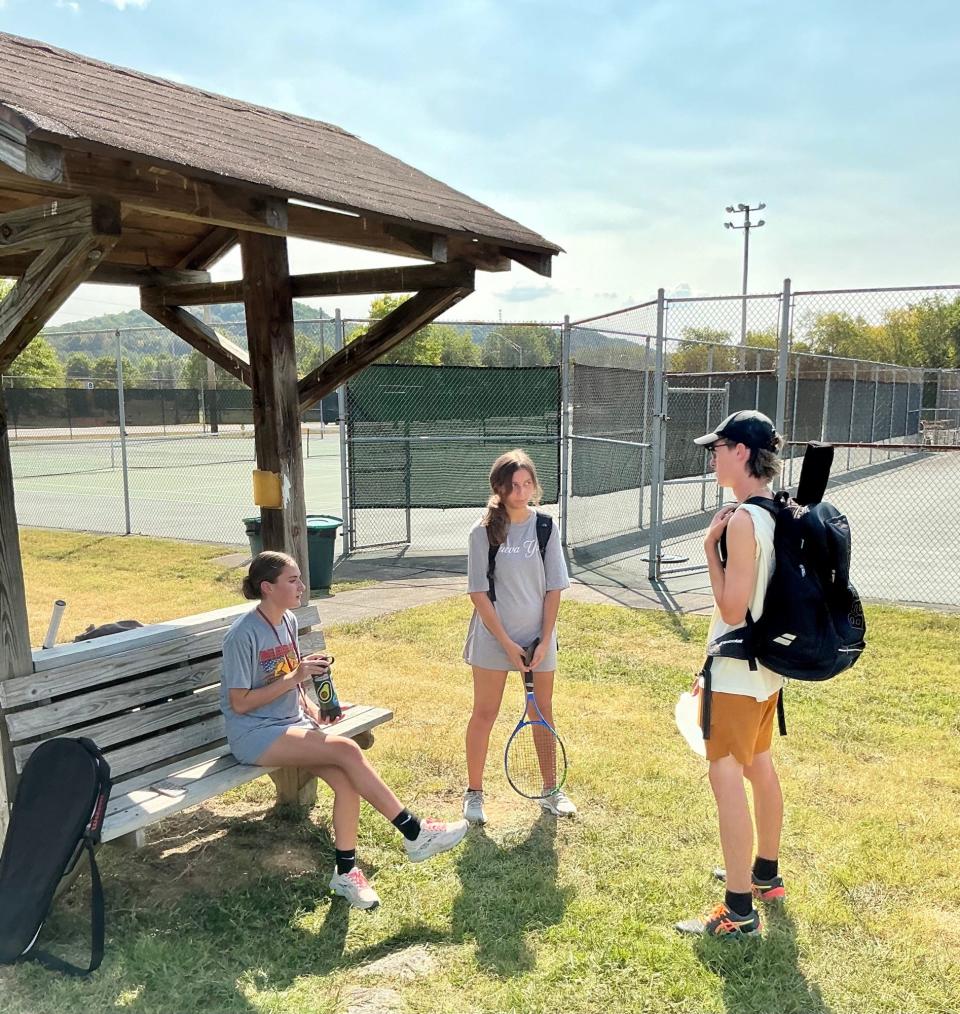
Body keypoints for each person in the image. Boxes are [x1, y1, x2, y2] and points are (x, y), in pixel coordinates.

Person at [221, 551, 468, 910]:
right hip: (253, 735)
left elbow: (292, 682)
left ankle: (345, 873)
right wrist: (297, 676)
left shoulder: (287, 620)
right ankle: (414, 832)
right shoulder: (241, 636)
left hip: (290, 725)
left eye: (300, 579)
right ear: (267, 588)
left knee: (345, 780)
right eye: (292, 581)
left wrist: (313, 712)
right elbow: (241, 703)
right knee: (347, 751)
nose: (302, 586)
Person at [675, 410, 787, 938]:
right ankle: (765, 874)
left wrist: (708, 554)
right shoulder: (774, 512)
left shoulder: (742, 521)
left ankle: (739, 909)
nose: (713, 456)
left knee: (726, 779)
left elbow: (732, 606)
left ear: (741, 451)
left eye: (717, 447)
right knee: (760, 767)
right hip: (767, 674)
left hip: (739, 674)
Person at [461, 448, 576, 825]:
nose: (522, 492)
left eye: (528, 484)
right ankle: (474, 794)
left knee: (541, 713)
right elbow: (479, 592)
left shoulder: (545, 526)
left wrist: (544, 641)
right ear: (500, 488)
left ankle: (550, 790)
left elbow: (555, 587)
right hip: (494, 640)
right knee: (485, 713)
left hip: (538, 641)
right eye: (514, 486)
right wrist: (508, 644)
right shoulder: (482, 532)